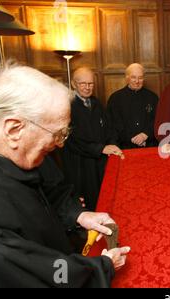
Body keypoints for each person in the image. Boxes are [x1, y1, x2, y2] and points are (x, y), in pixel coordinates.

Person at [0, 63, 130, 287]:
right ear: (14, 129)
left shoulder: (24, 152)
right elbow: (51, 274)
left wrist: (79, 215)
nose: (60, 144)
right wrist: (103, 266)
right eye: (57, 134)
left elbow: (51, 191)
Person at [62, 67, 124, 211]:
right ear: (73, 84)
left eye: (90, 83)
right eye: (83, 83)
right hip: (80, 162)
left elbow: (109, 128)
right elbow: (71, 140)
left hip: (99, 160)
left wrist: (112, 144)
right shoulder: (67, 106)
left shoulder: (96, 103)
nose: (87, 87)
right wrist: (101, 148)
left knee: (102, 196)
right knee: (86, 198)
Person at [107, 63, 158, 149]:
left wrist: (145, 134)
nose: (137, 81)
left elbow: (157, 120)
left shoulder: (153, 97)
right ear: (127, 78)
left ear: (143, 78)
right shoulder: (115, 98)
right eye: (133, 77)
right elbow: (113, 124)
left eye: (140, 78)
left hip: (148, 145)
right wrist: (134, 139)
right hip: (125, 147)